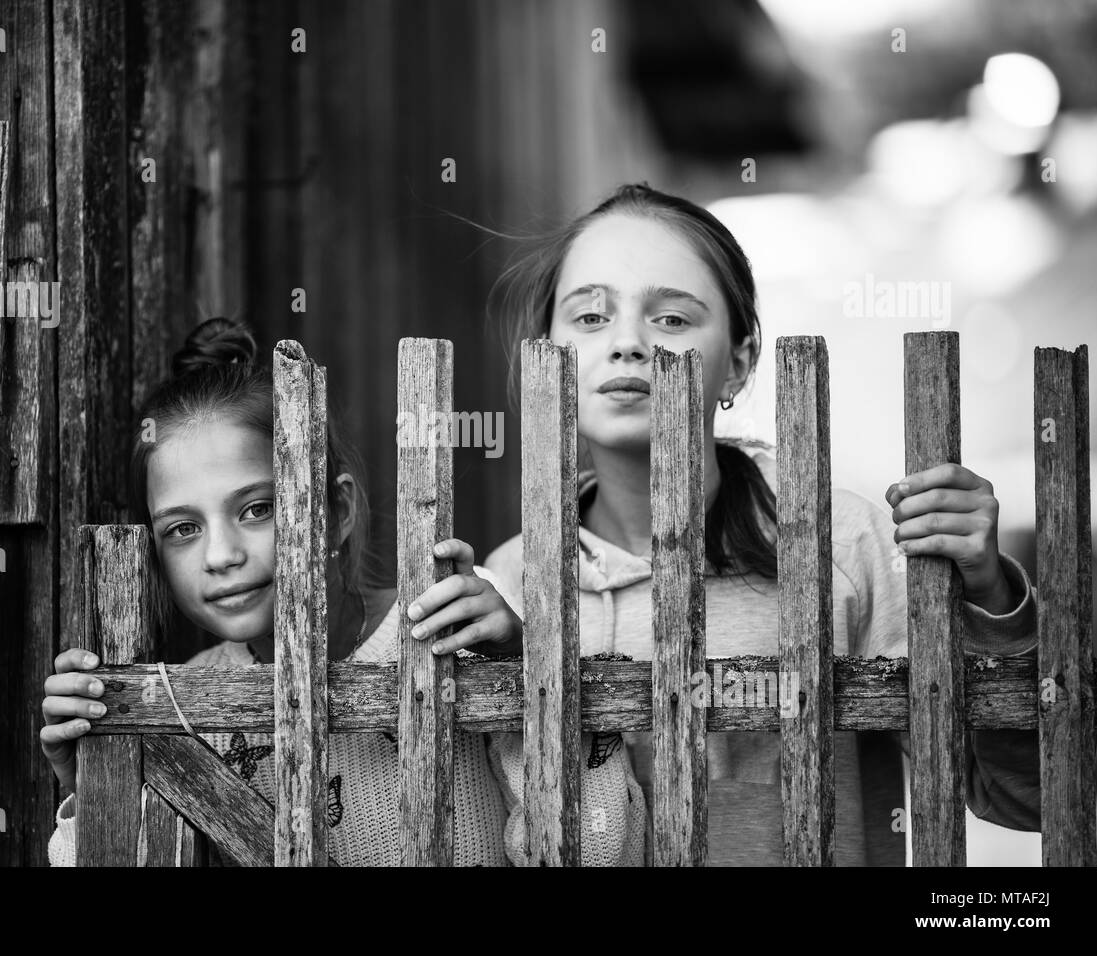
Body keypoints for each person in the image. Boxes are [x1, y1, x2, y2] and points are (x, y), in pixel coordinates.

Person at [407, 183, 1041, 865]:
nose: (627, 343)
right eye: (590, 317)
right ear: (545, 358)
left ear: (739, 362)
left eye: (672, 320)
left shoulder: (844, 546)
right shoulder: (510, 583)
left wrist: (991, 598)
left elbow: (1024, 796)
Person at [39, 316, 520, 865]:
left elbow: (596, 847)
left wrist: (523, 669)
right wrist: (101, 782)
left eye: (257, 509)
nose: (221, 555)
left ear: (335, 512)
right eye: (183, 529)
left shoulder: (456, 632)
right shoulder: (179, 710)